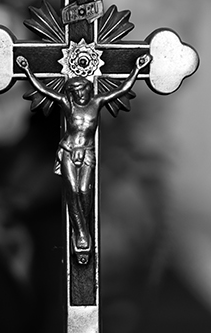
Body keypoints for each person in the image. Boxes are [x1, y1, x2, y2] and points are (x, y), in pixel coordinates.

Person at [17, 52, 149, 263]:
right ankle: (80, 233)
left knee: (85, 190)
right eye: (75, 91)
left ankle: (84, 227)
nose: (79, 94)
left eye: (82, 90)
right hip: (69, 151)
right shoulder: (68, 105)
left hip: (87, 152)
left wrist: (138, 69)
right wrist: (26, 69)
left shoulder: (96, 103)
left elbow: (122, 89)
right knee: (71, 190)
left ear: (88, 89)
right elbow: (44, 90)